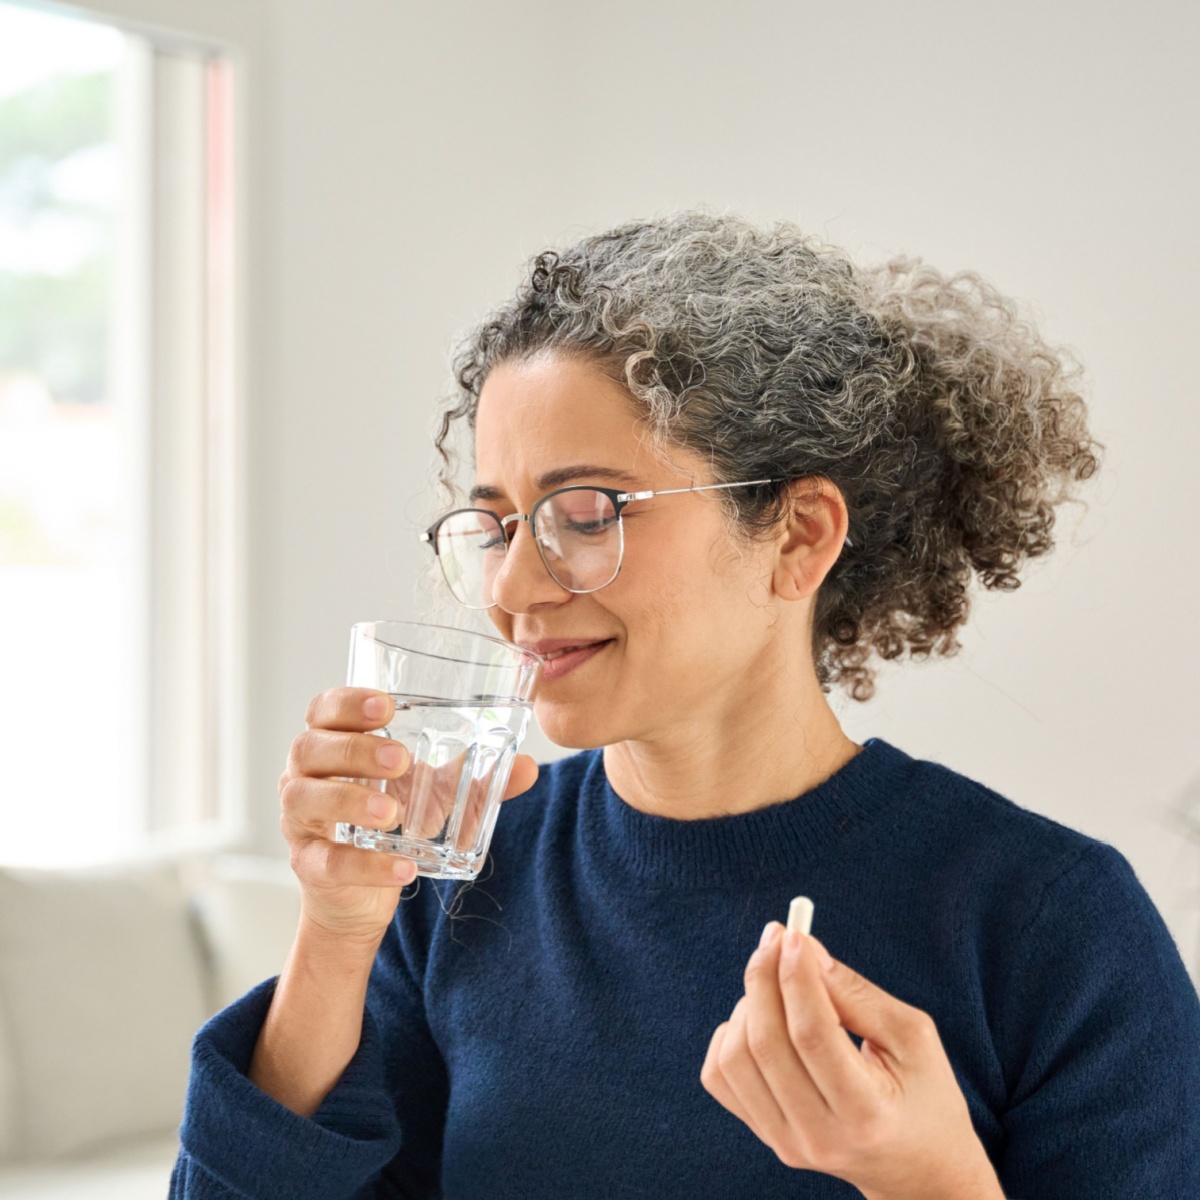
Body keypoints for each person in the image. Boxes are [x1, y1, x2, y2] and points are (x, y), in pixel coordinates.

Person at [170, 212, 1200, 1200]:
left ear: (798, 535)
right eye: (495, 524)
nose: (512, 589)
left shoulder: (1050, 922)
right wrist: (339, 930)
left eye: (586, 513)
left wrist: (923, 1179)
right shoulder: (460, 880)